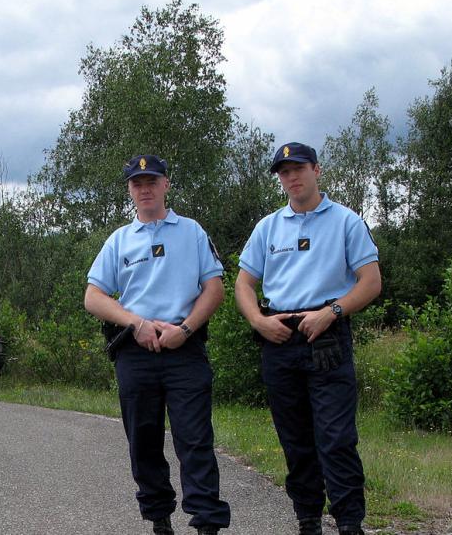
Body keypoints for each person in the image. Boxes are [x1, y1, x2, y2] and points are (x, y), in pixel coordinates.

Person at [235, 142, 381, 535]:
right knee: (295, 440)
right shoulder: (269, 227)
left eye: (298, 168)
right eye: (284, 172)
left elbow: (370, 283)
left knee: (335, 439)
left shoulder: (346, 222)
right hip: (279, 338)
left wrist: (331, 312)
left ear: (316, 170)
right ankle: (308, 520)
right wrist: (257, 321)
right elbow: (244, 283)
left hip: (326, 336)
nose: (291, 177)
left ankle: (350, 523)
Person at [84, 154, 230, 535]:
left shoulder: (192, 232)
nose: (145, 188)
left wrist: (186, 328)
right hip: (136, 351)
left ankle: (206, 525)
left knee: (195, 440)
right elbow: (93, 297)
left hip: (185, 348)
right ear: (130, 190)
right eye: (137, 183)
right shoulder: (119, 240)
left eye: (152, 181)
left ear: (166, 184)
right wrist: (137, 323)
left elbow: (214, 289)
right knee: (144, 442)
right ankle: (159, 521)